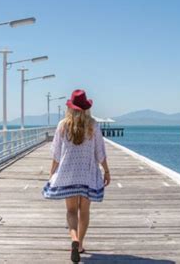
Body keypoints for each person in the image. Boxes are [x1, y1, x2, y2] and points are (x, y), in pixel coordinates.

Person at [42, 89, 111, 263]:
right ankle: (80, 244)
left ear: (70, 108)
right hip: (87, 174)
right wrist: (106, 170)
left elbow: (56, 154)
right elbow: (99, 152)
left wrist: (52, 172)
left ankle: (73, 238)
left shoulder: (62, 125)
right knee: (84, 211)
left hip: (68, 174)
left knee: (71, 211)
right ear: (86, 107)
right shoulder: (93, 125)